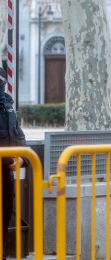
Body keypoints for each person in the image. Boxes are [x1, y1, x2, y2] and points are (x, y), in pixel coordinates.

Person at [0, 67, 28, 260]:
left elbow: (18, 133)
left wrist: (22, 158)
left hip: (6, 173)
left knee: (5, 212)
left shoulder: (8, 103)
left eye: (0, 82)